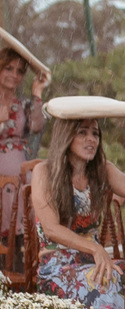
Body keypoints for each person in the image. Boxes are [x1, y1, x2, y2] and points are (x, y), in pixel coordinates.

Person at [32, 115, 125, 309]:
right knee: (106, 284)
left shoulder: (102, 169)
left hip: (94, 262)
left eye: (95, 134)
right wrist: (96, 248)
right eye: (82, 132)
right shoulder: (44, 171)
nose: (91, 139)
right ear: (66, 136)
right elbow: (50, 228)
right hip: (58, 266)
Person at [0, 46, 47, 237]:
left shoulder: (23, 105)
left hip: (21, 175)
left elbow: (37, 125)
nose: (14, 75)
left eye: (20, 71)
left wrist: (37, 93)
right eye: (9, 68)